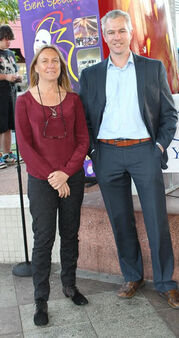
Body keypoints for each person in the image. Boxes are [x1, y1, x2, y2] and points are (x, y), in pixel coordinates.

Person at [79, 10, 179, 310]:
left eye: (121, 31)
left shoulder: (153, 69)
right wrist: (92, 151)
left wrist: (159, 148)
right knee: (120, 220)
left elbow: (169, 114)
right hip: (107, 154)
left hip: (145, 153)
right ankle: (132, 276)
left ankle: (166, 283)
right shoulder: (90, 75)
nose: (116, 37)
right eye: (110, 32)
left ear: (130, 33)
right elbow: (84, 119)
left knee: (156, 220)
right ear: (104, 36)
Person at [15, 44, 89, 326]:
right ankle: (40, 299)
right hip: (41, 180)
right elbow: (25, 146)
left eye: (55, 61)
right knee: (43, 239)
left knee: (70, 235)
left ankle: (70, 286)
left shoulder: (73, 100)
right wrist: (53, 177)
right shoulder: (23, 101)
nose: (50, 65)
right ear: (35, 67)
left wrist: (66, 173)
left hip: (72, 178)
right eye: (44, 61)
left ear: (61, 66)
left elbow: (83, 140)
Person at [0, 24, 22, 169]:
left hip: (11, 92)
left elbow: (14, 69)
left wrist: (16, 77)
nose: (9, 42)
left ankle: (7, 154)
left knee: (8, 126)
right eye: (6, 39)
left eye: (10, 39)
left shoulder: (10, 54)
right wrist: (6, 77)